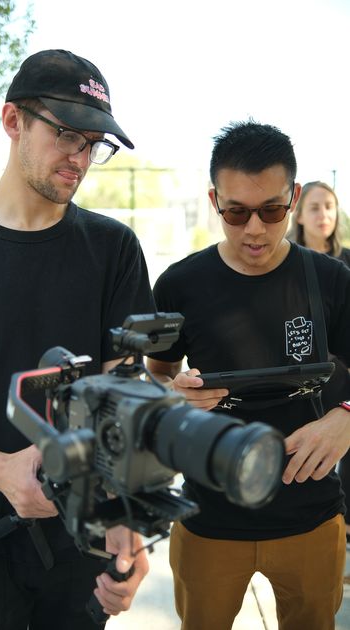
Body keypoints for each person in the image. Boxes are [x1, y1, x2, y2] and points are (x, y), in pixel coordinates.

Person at [0, 49, 154, 630]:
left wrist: (126, 517)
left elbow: (125, 396)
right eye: (67, 134)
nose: (80, 158)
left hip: (81, 537)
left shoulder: (113, 249)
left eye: (93, 144)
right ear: (13, 121)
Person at [147, 121, 350, 630]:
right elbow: (155, 377)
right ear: (214, 200)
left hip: (311, 516)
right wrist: (174, 397)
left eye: (272, 210)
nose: (254, 229)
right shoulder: (179, 284)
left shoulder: (331, 280)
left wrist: (346, 416)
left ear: (294, 198)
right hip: (208, 518)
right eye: (236, 212)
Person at [288, 180, 350, 544]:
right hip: (308, 377)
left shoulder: (346, 263)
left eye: (329, 206)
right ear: (298, 213)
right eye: (314, 207)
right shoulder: (287, 262)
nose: (323, 214)